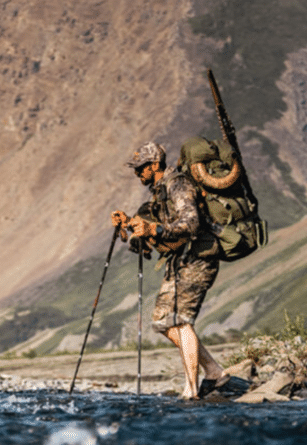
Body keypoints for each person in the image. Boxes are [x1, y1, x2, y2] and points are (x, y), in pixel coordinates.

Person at [111, 141, 228, 400]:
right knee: (163, 321)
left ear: (154, 165)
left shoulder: (179, 184)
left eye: (140, 168)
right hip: (182, 260)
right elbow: (161, 224)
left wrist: (155, 230)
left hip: (197, 259)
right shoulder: (160, 190)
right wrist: (130, 223)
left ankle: (192, 389)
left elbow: (191, 223)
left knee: (180, 321)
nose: (137, 173)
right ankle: (213, 371)